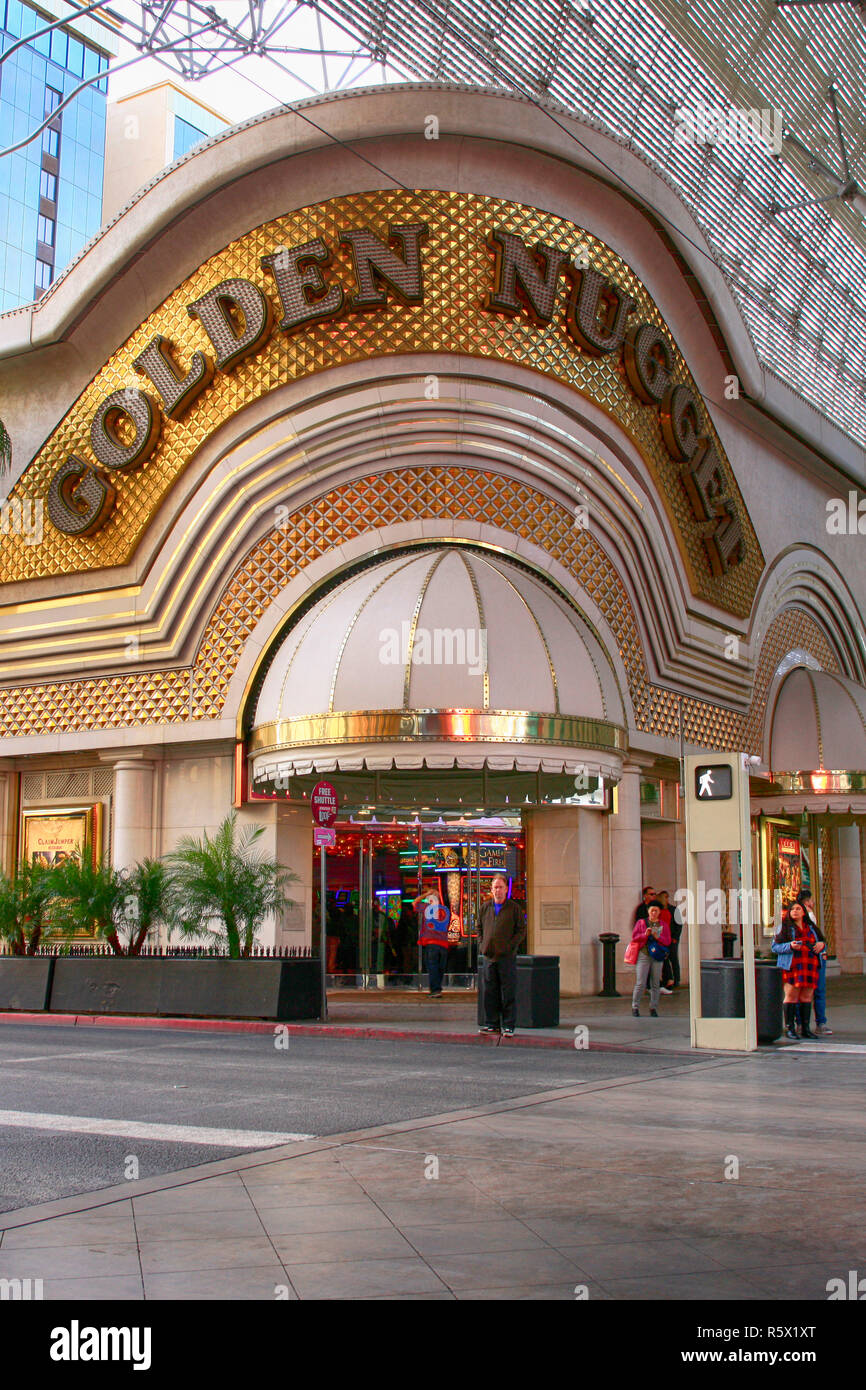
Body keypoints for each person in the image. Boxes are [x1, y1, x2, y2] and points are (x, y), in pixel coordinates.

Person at [476, 874, 526, 1035]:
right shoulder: (485, 908)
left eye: (500, 887)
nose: (498, 890)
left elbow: (521, 930)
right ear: (491, 890)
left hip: (506, 957)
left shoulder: (514, 908)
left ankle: (508, 1025)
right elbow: (479, 928)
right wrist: (483, 945)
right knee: (490, 992)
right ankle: (492, 1023)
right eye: (495, 887)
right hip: (489, 957)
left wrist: (510, 946)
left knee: (508, 992)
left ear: (506, 889)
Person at [773, 900, 824, 1041]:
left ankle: (805, 1028)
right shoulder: (783, 928)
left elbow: (821, 942)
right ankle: (790, 1028)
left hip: (810, 965)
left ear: (803, 912)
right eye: (792, 909)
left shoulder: (811, 928)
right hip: (793, 965)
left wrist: (821, 944)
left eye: (798, 909)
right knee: (791, 996)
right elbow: (775, 947)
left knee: (806, 997)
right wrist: (790, 946)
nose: (794, 911)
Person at [795, 890, 832, 1036]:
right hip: (807, 960)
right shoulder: (799, 920)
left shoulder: (811, 918)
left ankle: (811, 1023)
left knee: (816, 991)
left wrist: (821, 945)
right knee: (809, 992)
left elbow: (818, 938)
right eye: (810, 900)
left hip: (815, 959)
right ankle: (808, 1024)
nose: (813, 903)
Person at [631, 901, 671, 1018]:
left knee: (655, 983)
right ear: (648, 911)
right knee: (640, 982)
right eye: (652, 910)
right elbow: (635, 937)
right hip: (644, 954)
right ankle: (635, 1006)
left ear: (659, 912)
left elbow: (667, 940)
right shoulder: (641, 922)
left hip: (657, 955)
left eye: (656, 911)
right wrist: (645, 934)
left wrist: (657, 936)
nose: (654, 913)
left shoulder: (663, 925)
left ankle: (653, 1007)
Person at [413, 889, 449, 997]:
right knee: (440, 968)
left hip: (431, 943)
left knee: (432, 966)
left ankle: (435, 990)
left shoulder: (426, 908)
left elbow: (414, 903)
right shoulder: (445, 910)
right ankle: (438, 988)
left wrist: (426, 894)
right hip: (444, 943)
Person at [658, 890, 683, 992]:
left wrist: (675, 938)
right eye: (665, 897)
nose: (666, 899)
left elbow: (679, 925)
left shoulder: (674, 910)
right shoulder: (659, 910)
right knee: (664, 959)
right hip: (662, 939)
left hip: (671, 939)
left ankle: (676, 979)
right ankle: (667, 979)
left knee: (673, 959)